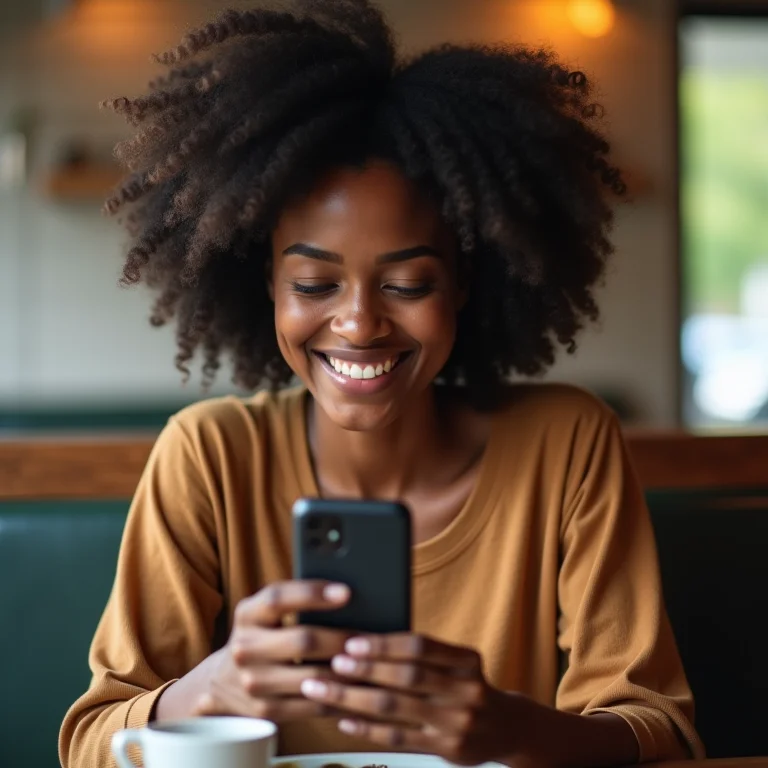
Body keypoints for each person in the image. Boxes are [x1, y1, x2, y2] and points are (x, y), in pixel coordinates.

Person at [59, 2, 704, 766]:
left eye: (406, 283)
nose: (360, 324)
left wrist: (509, 728)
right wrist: (209, 690)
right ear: (266, 282)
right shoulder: (208, 456)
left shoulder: (567, 444)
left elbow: (663, 735)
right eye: (314, 282)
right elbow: (88, 744)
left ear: (465, 281)